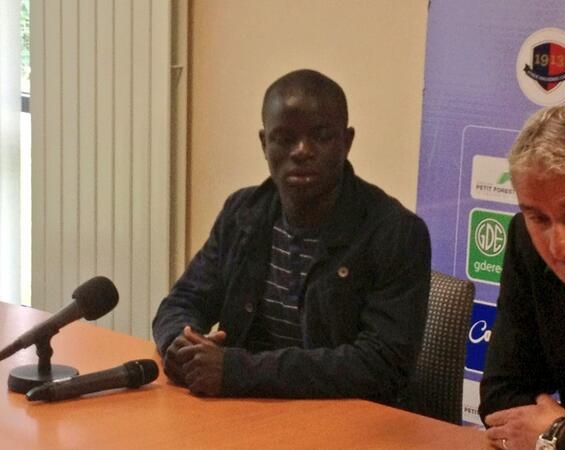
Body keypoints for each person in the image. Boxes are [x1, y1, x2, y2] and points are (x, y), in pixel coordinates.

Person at [152, 69, 431, 405]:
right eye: (285, 138)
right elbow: (183, 301)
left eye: (321, 136)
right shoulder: (243, 213)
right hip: (242, 410)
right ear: (264, 143)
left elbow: (382, 363)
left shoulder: (396, 232)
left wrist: (239, 371)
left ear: (347, 142)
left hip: (344, 419)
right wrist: (181, 343)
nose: (301, 151)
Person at [479, 103, 565, 450]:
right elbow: (502, 394)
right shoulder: (524, 241)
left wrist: (562, 435)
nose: (562, 246)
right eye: (539, 219)